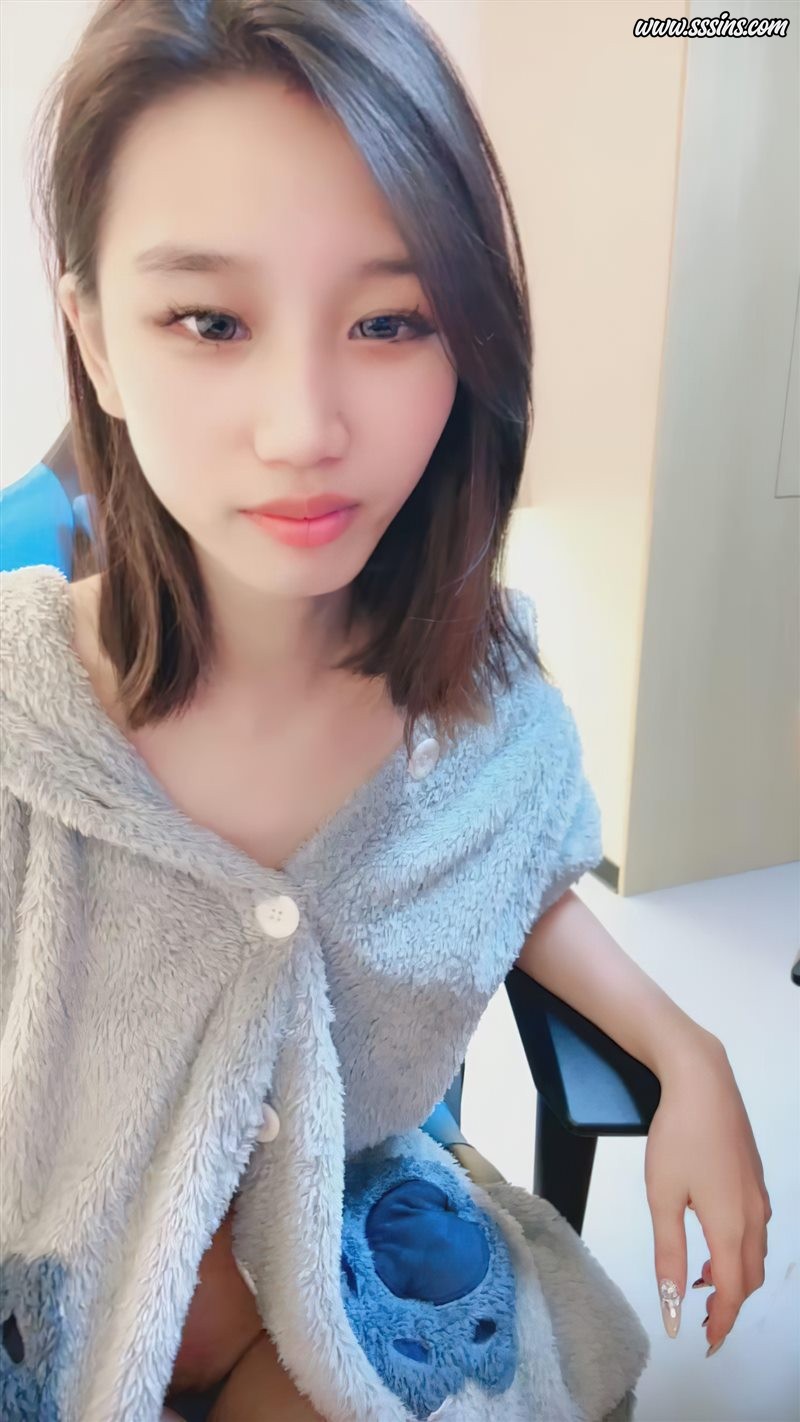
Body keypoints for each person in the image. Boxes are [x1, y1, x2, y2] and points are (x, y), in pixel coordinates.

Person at [1, 2, 770, 1420]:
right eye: (210, 320)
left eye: (389, 320)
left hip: (345, 1278)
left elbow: (511, 866)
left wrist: (688, 1051)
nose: (305, 425)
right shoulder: (19, 718)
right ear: (96, 342)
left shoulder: (485, 705)